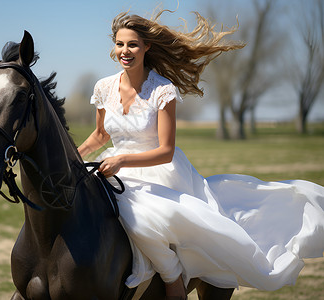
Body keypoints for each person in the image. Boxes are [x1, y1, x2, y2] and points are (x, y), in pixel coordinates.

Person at [77, 9, 324, 300]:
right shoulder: (103, 88)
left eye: (132, 44)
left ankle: (172, 280)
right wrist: (75, 156)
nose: (125, 50)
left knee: (139, 219)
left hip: (157, 170)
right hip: (110, 165)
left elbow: (165, 151)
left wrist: (121, 161)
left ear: (147, 47)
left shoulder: (162, 90)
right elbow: (100, 135)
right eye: (120, 44)